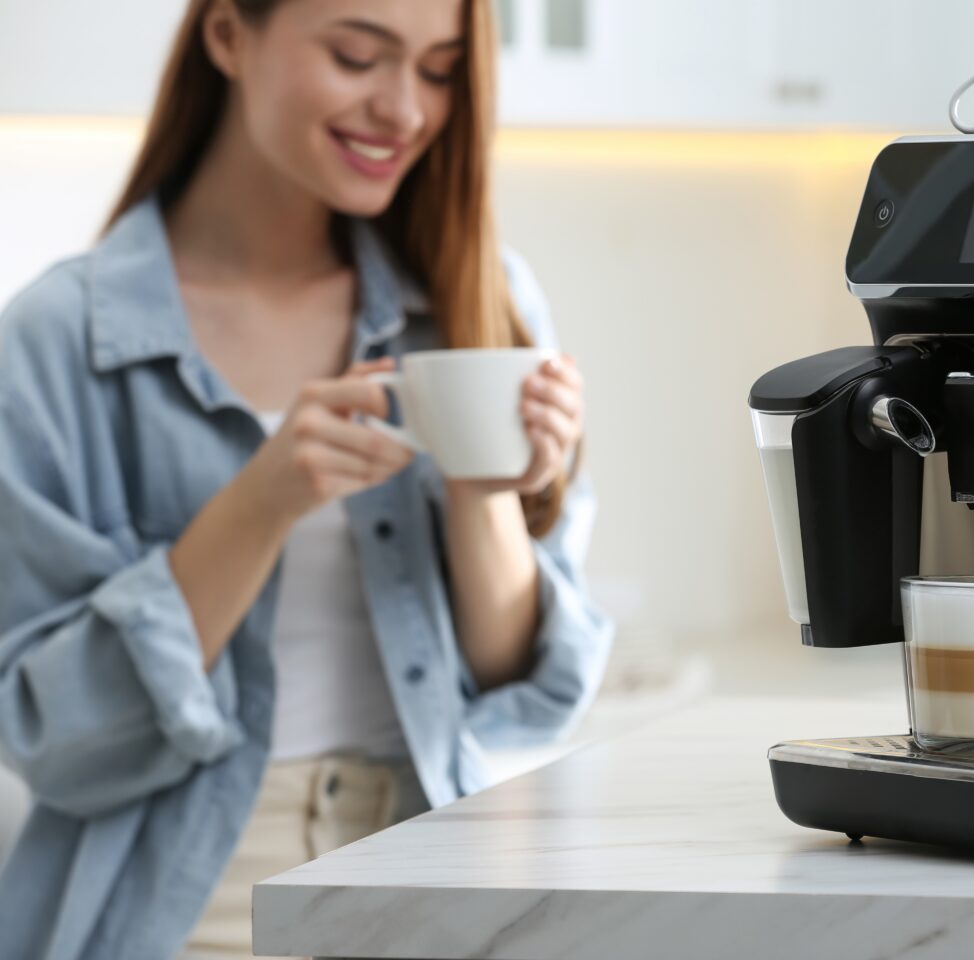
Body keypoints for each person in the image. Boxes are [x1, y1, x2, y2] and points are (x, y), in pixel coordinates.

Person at [0, 0, 612, 956]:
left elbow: (523, 695)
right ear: (228, 34)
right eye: (358, 55)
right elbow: (51, 738)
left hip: (431, 883)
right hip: (177, 910)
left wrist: (483, 489)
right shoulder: (57, 342)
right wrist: (261, 502)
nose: (405, 108)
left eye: (440, 70)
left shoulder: (476, 299)